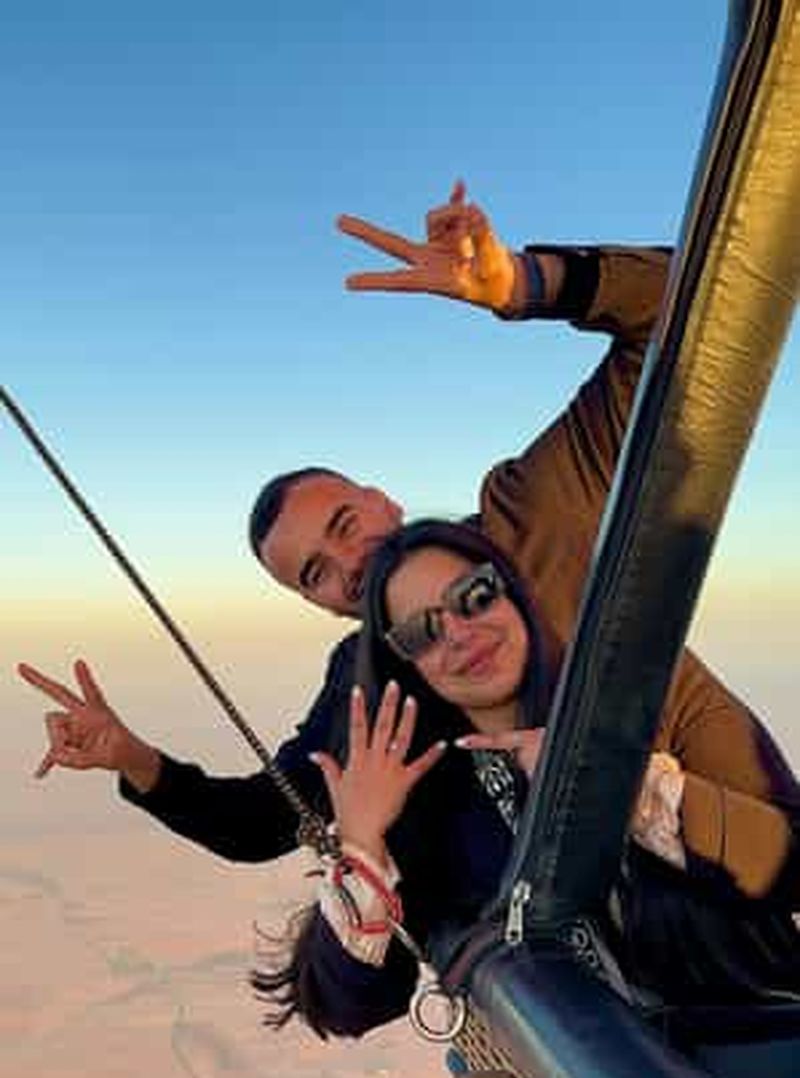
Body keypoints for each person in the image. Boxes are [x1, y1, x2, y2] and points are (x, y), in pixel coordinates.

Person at [15, 186, 789, 886]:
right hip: (597, 973)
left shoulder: (535, 513)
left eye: (344, 524)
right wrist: (131, 757)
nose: (348, 565)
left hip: (747, 872)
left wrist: (520, 282)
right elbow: (266, 820)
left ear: (383, 502)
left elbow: (704, 306)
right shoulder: (366, 685)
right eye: (315, 572)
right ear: (318, 604)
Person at [252, 519, 800, 1041]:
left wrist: (617, 788)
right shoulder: (434, 804)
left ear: (512, 592)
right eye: (423, 632)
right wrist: (362, 845)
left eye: (476, 595)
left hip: (765, 1043)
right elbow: (350, 1008)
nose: (460, 634)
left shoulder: (651, 689)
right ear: (407, 663)